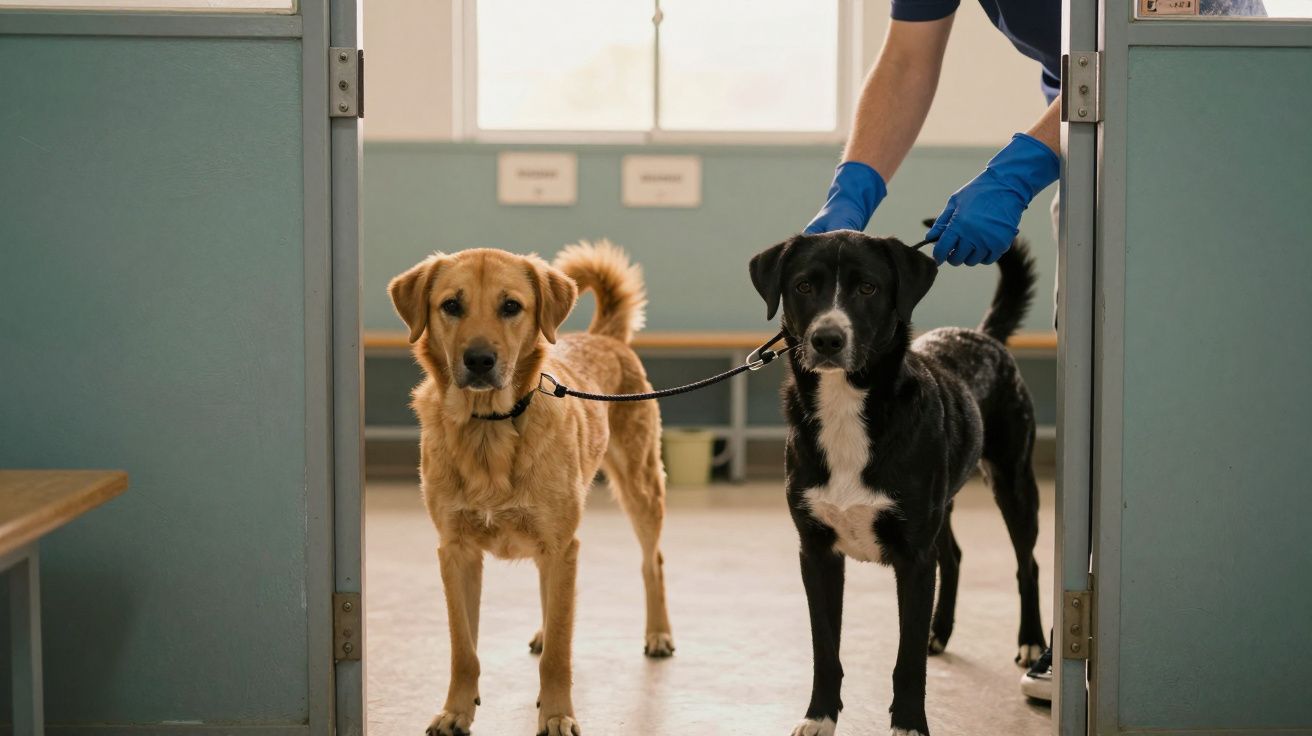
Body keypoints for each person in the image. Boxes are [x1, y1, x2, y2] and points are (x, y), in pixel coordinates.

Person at [806, 0, 1266, 703]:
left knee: (1196, 388)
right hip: (1088, 140)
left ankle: (1216, 626)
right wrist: (852, 189)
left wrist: (1017, 168)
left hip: (1214, 107)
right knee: (1101, 389)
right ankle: (1105, 631)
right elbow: (906, 59)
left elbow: (1144, 42)